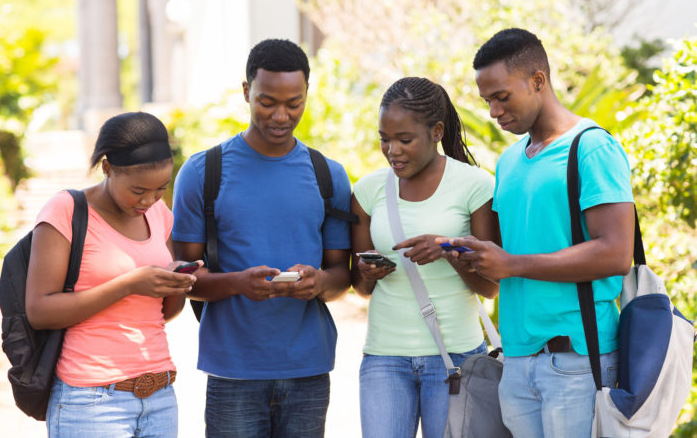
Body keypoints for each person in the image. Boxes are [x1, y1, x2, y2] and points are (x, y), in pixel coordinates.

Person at [439, 28, 635, 438]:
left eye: (502, 96)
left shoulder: (591, 147)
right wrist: (467, 254)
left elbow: (616, 253)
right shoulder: (509, 162)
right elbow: (507, 261)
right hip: (517, 360)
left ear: (538, 81)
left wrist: (512, 263)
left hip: (578, 358)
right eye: (486, 101)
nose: (493, 110)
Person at [171, 38, 352, 438]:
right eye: (267, 102)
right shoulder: (203, 172)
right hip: (233, 370)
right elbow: (184, 280)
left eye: (294, 103)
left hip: (308, 368)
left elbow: (342, 274)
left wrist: (318, 282)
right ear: (245, 92)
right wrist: (238, 283)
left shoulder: (329, 175)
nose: (281, 116)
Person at [25, 112, 200, 437]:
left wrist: (177, 283)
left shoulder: (159, 214)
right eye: (138, 190)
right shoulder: (66, 210)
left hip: (159, 395)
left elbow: (164, 313)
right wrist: (129, 284)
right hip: (90, 400)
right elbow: (39, 311)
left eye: (160, 188)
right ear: (107, 168)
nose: (148, 200)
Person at [351, 76, 500, 438]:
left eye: (404, 140)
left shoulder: (475, 185)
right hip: (384, 358)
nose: (392, 151)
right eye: (385, 139)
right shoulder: (368, 190)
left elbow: (490, 287)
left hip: (455, 358)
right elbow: (359, 288)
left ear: (436, 131)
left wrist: (449, 251)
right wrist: (368, 272)